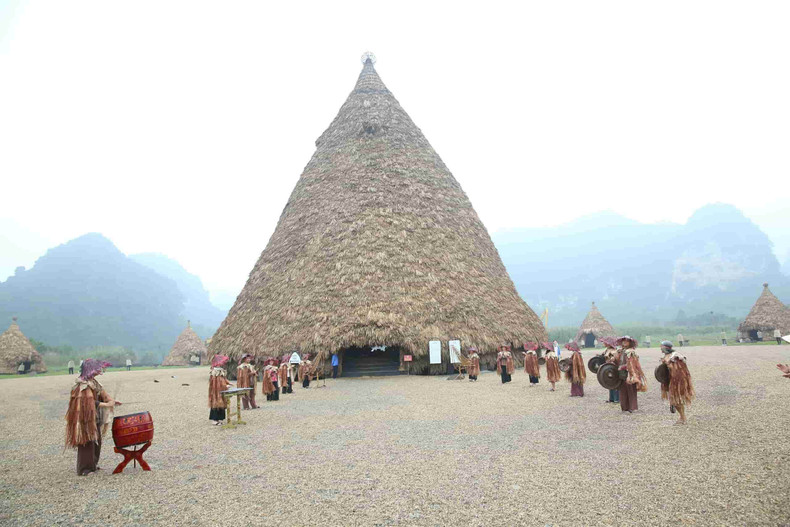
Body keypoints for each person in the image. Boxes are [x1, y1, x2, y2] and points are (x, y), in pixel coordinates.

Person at [65, 359, 121, 475]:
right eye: (96, 370)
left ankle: (93, 465)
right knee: (87, 441)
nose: (98, 372)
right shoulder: (82, 385)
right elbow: (88, 402)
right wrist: (106, 404)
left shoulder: (93, 382)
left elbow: (103, 394)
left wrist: (112, 401)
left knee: (97, 440)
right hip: (83, 419)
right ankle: (84, 469)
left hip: (93, 417)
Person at [660, 341, 695, 424]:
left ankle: (683, 418)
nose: (660, 348)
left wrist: (668, 365)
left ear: (666, 348)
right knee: (675, 400)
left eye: (661, 347)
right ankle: (682, 417)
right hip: (670, 380)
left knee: (676, 400)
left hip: (678, 381)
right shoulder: (667, 356)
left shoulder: (675, 356)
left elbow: (677, 370)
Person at [616, 336, 647, 413]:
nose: (624, 343)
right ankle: (625, 408)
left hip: (630, 374)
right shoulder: (622, 351)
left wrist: (624, 367)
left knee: (631, 391)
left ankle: (633, 407)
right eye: (623, 341)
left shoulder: (631, 352)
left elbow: (632, 364)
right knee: (623, 391)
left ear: (630, 343)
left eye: (626, 341)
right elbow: (619, 361)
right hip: (622, 374)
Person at [209, 355, 231, 425]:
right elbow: (217, 384)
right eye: (222, 362)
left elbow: (223, 380)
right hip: (216, 392)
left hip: (221, 391)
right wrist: (225, 386)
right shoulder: (215, 372)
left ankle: (220, 418)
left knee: (222, 404)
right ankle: (215, 420)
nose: (223, 363)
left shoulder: (221, 371)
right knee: (216, 404)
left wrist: (227, 383)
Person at [600, 337, 619, 403]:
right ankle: (611, 399)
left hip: (613, 369)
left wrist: (612, 360)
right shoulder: (607, 350)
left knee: (615, 384)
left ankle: (617, 399)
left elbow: (616, 360)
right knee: (609, 383)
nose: (604, 343)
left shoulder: (614, 351)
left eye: (605, 342)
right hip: (608, 369)